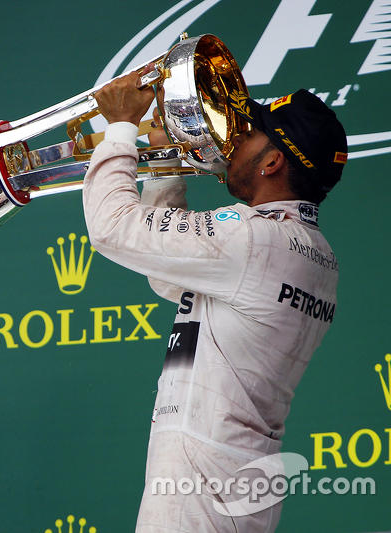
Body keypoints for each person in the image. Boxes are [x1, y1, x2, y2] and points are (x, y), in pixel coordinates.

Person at [83, 68, 348, 532]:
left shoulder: (253, 237)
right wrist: (163, 161)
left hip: (200, 479)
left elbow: (112, 227)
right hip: (229, 475)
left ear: (272, 164)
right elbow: (168, 276)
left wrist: (121, 128)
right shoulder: (312, 252)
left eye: (248, 134)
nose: (232, 139)